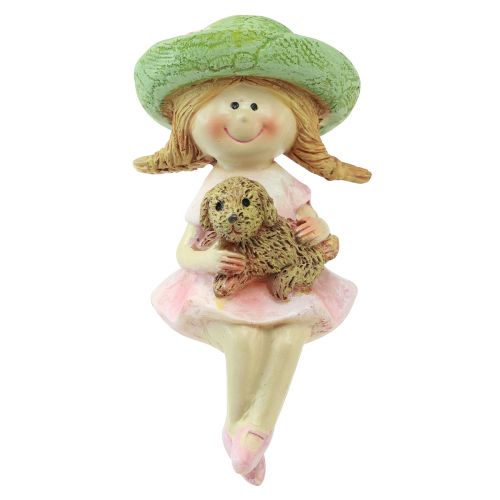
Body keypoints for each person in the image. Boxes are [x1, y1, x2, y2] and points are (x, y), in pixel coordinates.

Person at [134, 16, 371, 485]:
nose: (243, 117)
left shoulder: (285, 182)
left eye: (256, 104)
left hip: (286, 281)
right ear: (189, 121)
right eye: (232, 104)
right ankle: (239, 427)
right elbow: (185, 249)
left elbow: (314, 225)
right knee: (243, 339)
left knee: (289, 336)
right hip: (226, 287)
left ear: (298, 121)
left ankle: (255, 429)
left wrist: (318, 228)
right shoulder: (213, 187)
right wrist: (205, 259)